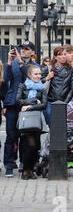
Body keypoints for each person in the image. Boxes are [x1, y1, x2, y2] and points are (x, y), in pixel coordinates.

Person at [3, 43, 38, 177]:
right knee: (11, 135)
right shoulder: (14, 64)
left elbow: (29, 79)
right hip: (12, 103)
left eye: (26, 49)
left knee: (26, 135)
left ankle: (25, 163)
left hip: (26, 103)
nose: (22, 51)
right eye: (21, 49)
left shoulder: (35, 66)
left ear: (32, 52)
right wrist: (10, 62)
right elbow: (5, 80)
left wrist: (20, 62)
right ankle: (9, 164)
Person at [15, 65, 47, 180]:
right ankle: (25, 170)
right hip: (26, 122)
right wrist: (34, 101)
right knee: (30, 145)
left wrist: (28, 107)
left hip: (37, 120)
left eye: (39, 74)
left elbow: (43, 105)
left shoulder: (42, 88)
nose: (38, 76)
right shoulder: (22, 86)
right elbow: (18, 101)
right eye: (36, 74)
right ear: (29, 75)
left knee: (35, 147)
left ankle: (31, 171)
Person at [44, 46, 73, 125]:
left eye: (64, 54)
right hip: (50, 101)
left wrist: (65, 102)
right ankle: (51, 136)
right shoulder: (49, 68)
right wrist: (47, 78)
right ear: (55, 57)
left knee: (60, 124)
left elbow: (72, 88)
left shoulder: (71, 69)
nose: (63, 56)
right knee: (50, 121)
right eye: (60, 55)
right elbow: (39, 82)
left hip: (63, 101)